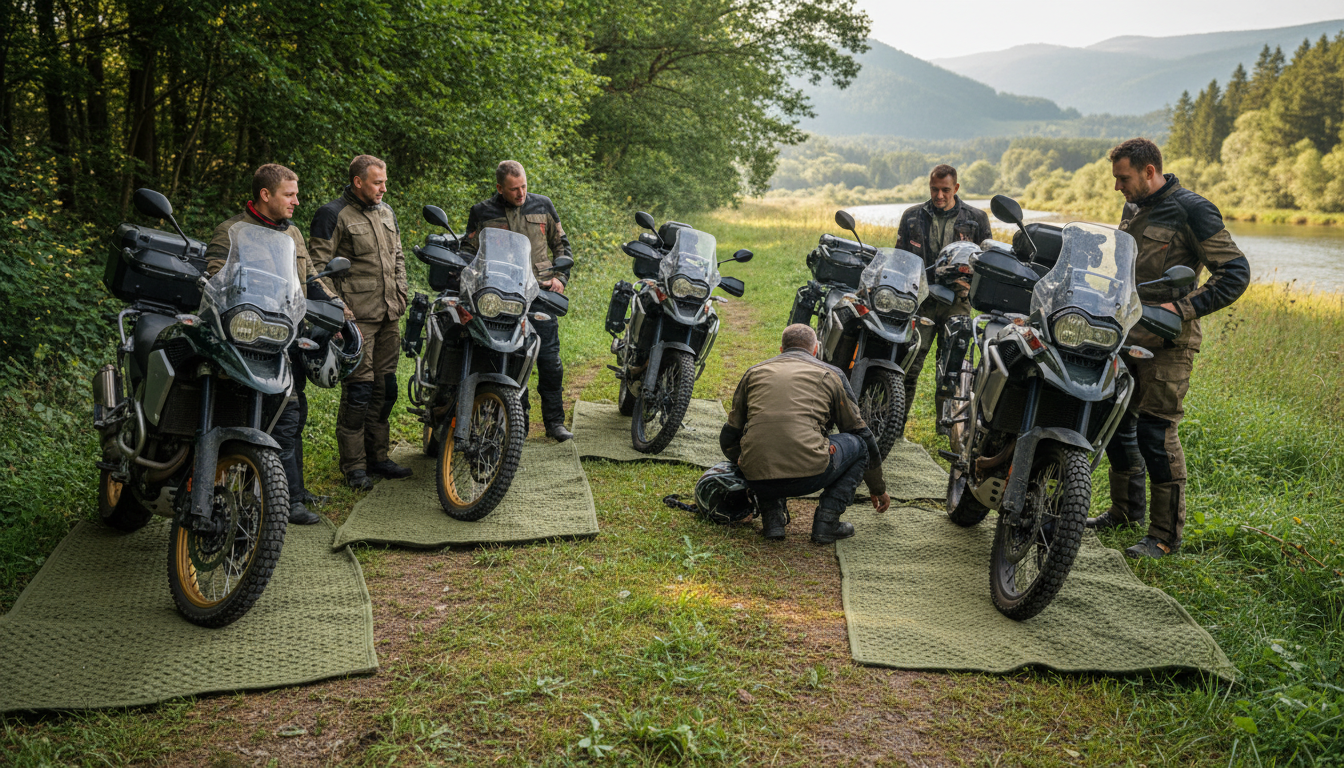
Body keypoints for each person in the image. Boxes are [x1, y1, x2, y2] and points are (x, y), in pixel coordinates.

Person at [1089, 138, 1250, 558]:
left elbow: (1235, 273)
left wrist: (1179, 307)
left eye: (1123, 178)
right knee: (1116, 425)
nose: (1118, 187)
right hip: (1124, 335)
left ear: (1148, 170)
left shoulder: (1192, 209)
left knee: (1155, 434)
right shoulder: (1132, 208)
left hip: (1168, 343)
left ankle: (1164, 537)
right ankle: (1124, 513)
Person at [205, 163, 339, 524]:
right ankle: (286, 501)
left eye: (296, 193)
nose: (297, 201)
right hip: (248, 339)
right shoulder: (232, 231)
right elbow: (213, 283)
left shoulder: (293, 233)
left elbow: (312, 280)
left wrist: (339, 311)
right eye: (289, 194)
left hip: (289, 339)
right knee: (282, 415)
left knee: (295, 416)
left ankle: (293, 487)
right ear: (266, 195)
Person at [720, 324, 892, 543]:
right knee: (858, 446)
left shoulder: (754, 372)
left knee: (762, 445)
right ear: (815, 350)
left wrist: (743, 460)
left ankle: (772, 521)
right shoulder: (832, 374)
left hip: (758, 477)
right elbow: (861, 433)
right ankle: (826, 524)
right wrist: (878, 487)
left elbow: (729, 436)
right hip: (812, 473)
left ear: (781, 349)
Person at [309, 155, 412, 490]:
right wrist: (338, 309)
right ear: (357, 181)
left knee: (386, 390)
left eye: (384, 182)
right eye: (377, 182)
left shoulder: (387, 212)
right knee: (359, 393)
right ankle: (354, 466)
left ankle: (377, 457)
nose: (384, 188)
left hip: (388, 316)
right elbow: (316, 268)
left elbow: (398, 256)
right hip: (357, 319)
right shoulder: (332, 214)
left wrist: (402, 292)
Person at [462, 160, 574, 441]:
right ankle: (516, 424)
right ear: (499, 188)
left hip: (540, 293)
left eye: (524, 186)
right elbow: (467, 252)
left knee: (549, 360)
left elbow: (561, 244)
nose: (521, 193)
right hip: (499, 296)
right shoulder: (481, 212)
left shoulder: (543, 205)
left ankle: (554, 421)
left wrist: (560, 276)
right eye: (514, 189)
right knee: (508, 357)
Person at [894, 164, 991, 434]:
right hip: (922, 299)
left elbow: (986, 264)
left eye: (945, 190)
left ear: (956, 188)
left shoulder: (976, 218)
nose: (939, 195)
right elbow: (900, 258)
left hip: (958, 302)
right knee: (909, 363)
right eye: (934, 189)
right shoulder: (912, 216)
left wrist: (969, 286)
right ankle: (896, 423)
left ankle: (946, 429)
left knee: (952, 368)